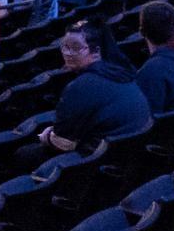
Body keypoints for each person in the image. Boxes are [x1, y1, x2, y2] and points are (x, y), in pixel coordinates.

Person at [38, 21, 148, 153]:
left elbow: (62, 142)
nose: (68, 53)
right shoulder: (123, 73)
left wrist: (48, 136)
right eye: (65, 47)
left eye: (76, 47)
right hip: (131, 150)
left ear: (96, 51)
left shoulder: (80, 86)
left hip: (105, 158)